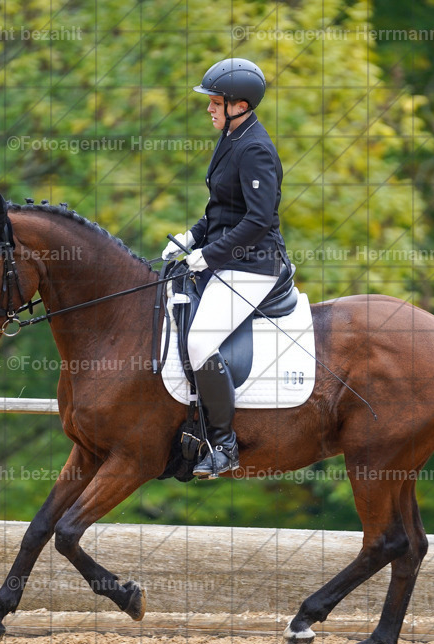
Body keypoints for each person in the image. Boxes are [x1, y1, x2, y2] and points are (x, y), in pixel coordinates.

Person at [162, 57, 292, 479]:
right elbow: (221, 210)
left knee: (200, 345)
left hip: (253, 266)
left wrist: (209, 255)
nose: (209, 108)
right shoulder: (231, 137)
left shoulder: (255, 148)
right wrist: (191, 237)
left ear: (240, 104)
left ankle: (224, 444)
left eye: (215, 101)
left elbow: (257, 221)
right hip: (225, 256)